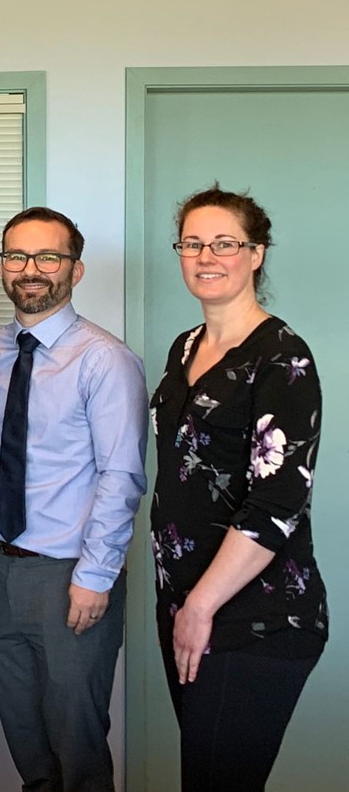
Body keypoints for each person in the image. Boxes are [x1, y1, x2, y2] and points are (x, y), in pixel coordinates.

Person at [149, 186, 326, 792]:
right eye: (192, 243)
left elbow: (277, 505)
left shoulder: (282, 359)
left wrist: (199, 607)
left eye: (225, 242)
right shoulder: (187, 347)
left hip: (256, 615)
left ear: (256, 253)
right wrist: (182, 605)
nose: (206, 255)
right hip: (185, 605)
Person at [0, 207, 147, 792]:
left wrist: (96, 577)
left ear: (75, 270)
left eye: (47, 257)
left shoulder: (105, 359)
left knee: (78, 751)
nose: (30, 270)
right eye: (17, 256)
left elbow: (120, 475)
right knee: (28, 752)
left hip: (70, 577)